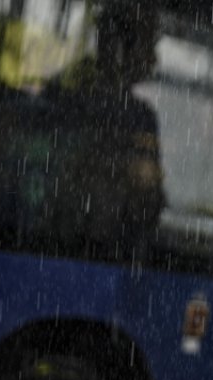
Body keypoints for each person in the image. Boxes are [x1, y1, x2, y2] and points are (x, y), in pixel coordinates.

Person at [42, 3, 165, 259]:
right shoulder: (137, 117)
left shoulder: (62, 91)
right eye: (149, 45)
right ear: (119, 48)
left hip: (52, 244)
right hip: (102, 254)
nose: (155, 59)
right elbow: (147, 201)